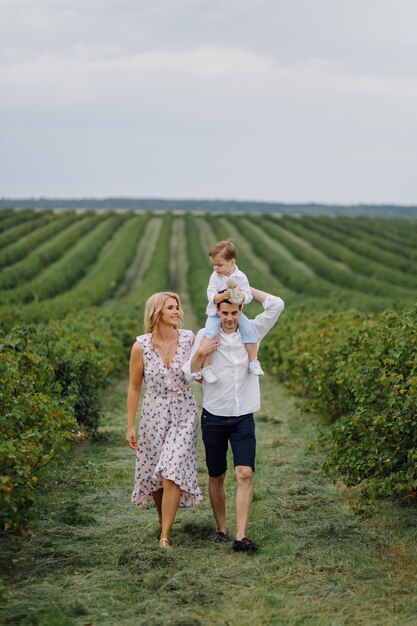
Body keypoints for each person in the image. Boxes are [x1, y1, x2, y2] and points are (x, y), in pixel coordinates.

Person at [183, 287, 285, 553]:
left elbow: (276, 305)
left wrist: (242, 287)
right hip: (214, 416)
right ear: (217, 311)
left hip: (243, 418)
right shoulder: (206, 335)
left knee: (245, 473)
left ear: (241, 311)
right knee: (217, 476)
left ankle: (241, 537)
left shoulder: (252, 332)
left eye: (235, 312)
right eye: (225, 312)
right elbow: (187, 374)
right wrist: (200, 352)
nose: (230, 317)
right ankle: (221, 529)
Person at [126, 292, 202, 549]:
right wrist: (130, 425)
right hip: (153, 414)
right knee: (155, 474)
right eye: (170, 307)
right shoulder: (141, 347)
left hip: (184, 412)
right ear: (157, 312)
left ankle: (165, 536)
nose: (176, 311)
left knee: (172, 470)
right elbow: (135, 388)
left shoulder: (189, 339)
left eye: (178, 307)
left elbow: (200, 371)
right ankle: (163, 521)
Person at [201, 240, 263, 383]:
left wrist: (242, 297)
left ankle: (253, 361)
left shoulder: (241, 277)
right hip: (216, 313)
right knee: (210, 335)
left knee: (249, 331)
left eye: (219, 264)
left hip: (234, 312)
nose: (216, 268)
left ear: (232, 262)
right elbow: (210, 294)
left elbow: (248, 295)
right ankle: (206, 368)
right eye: (214, 265)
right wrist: (219, 297)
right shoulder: (215, 276)